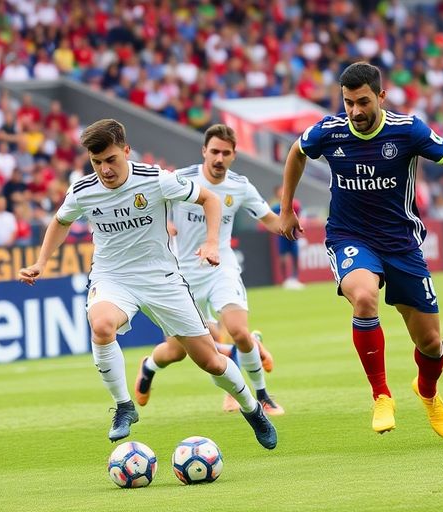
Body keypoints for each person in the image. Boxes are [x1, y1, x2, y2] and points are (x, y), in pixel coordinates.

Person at [18, 119, 276, 448]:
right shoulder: (83, 190)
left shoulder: (156, 180)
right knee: (101, 326)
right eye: (97, 163)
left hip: (161, 278)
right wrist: (41, 262)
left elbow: (210, 200)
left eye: (111, 160)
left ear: (126, 151)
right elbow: (60, 220)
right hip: (113, 277)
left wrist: (212, 243)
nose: (104, 170)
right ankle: (124, 406)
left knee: (209, 360)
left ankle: (253, 409)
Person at [279, 63, 443, 440]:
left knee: (430, 343)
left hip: (401, 243)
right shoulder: (329, 131)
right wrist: (286, 208)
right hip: (349, 237)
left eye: (363, 102)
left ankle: (427, 392)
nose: (355, 111)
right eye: (348, 103)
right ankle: (381, 394)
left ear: (381, 97)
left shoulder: (407, 130)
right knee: (364, 297)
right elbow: (296, 153)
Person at [133, 124, 284, 415]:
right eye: (214, 151)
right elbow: (150, 206)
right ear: (204, 151)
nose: (219, 158)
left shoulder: (239, 186)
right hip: (182, 275)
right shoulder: (182, 179)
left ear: (233, 155)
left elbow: (270, 220)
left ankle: (263, 396)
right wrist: (165, 223)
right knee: (176, 352)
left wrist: (287, 222)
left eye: (225, 153)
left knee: (238, 330)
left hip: (221, 266)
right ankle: (149, 366)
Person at [272, 184, 304, 289]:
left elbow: (299, 214)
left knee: (295, 255)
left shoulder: (294, 204)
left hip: (293, 235)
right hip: (282, 236)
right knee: (283, 257)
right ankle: (285, 280)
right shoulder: (275, 207)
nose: (282, 193)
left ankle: (295, 278)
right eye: (280, 191)